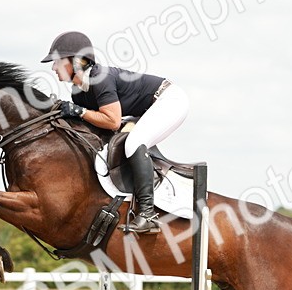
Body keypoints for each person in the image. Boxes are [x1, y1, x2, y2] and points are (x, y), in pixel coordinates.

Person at [42, 31, 189, 234]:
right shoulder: (78, 92)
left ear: (76, 62)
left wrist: (80, 112)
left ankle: (147, 215)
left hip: (169, 101)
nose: (53, 67)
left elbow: (111, 121)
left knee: (133, 143)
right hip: (145, 110)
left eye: (57, 62)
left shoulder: (100, 79)